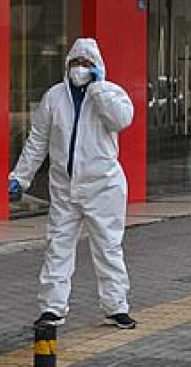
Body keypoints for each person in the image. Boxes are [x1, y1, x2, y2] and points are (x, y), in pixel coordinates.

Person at [9, 38, 136, 329]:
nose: (80, 69)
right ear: (67, 66)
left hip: (103, 186)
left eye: (87, 63)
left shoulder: (110, 93)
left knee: (108, 247)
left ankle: (116, 307)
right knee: (58, 247)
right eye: (75, 63)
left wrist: (98, 89)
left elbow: (122, 120)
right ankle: (52, 308)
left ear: (98, 67)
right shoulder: (54, 98)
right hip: (64, 188)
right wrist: (20, 177)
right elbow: (37, 140)